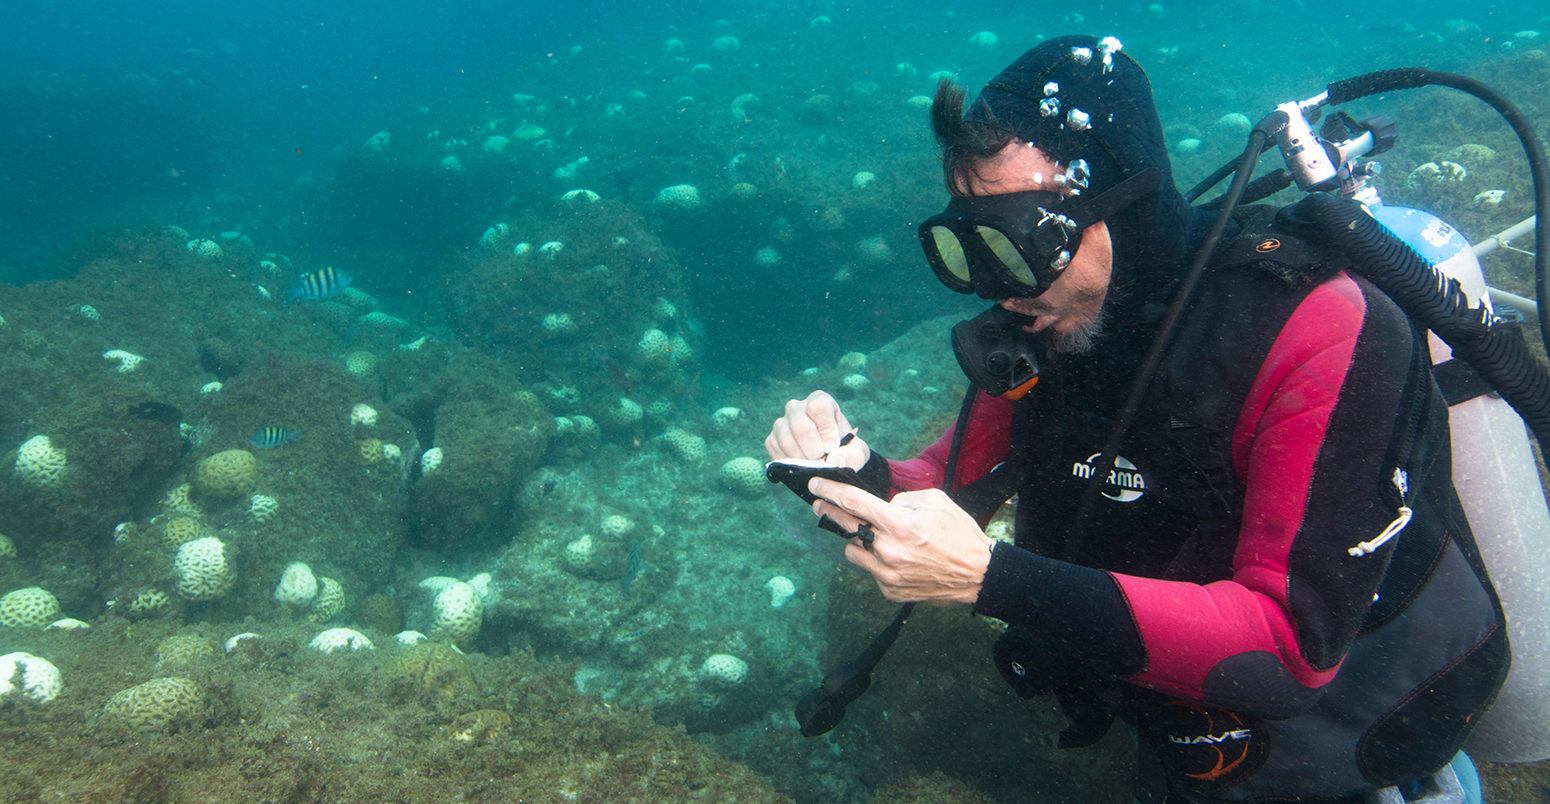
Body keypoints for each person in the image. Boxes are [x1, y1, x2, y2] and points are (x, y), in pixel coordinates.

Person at [766, 34, 1507, 804]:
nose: (998, 288)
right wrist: (850, 476)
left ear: (1130, 206)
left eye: (1025, 245)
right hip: (1170, 682)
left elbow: (1292, 649)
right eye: (969, 248)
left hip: (1360, 705)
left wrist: (995, 579)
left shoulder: (1313, 330)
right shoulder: (1049, 320)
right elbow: (945, 491)